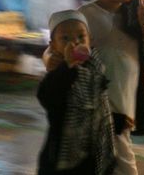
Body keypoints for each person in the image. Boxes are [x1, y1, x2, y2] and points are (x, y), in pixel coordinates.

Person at [43, 0, 144, 175]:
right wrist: (50, 60)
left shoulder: (137, 13)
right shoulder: (85, 16)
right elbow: (53, 49)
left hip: (123, 113)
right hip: (96, 114)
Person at [37, 10, 116, 175]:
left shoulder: (96, 69)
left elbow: (98, 109)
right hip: (61, 163)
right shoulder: (58, 72)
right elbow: (46, 96)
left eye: (81, 37)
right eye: (65, 38)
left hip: (92, 158)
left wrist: (119, 121)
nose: (74, 42)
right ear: (53, 46)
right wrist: (67, 66)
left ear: (90, 41)